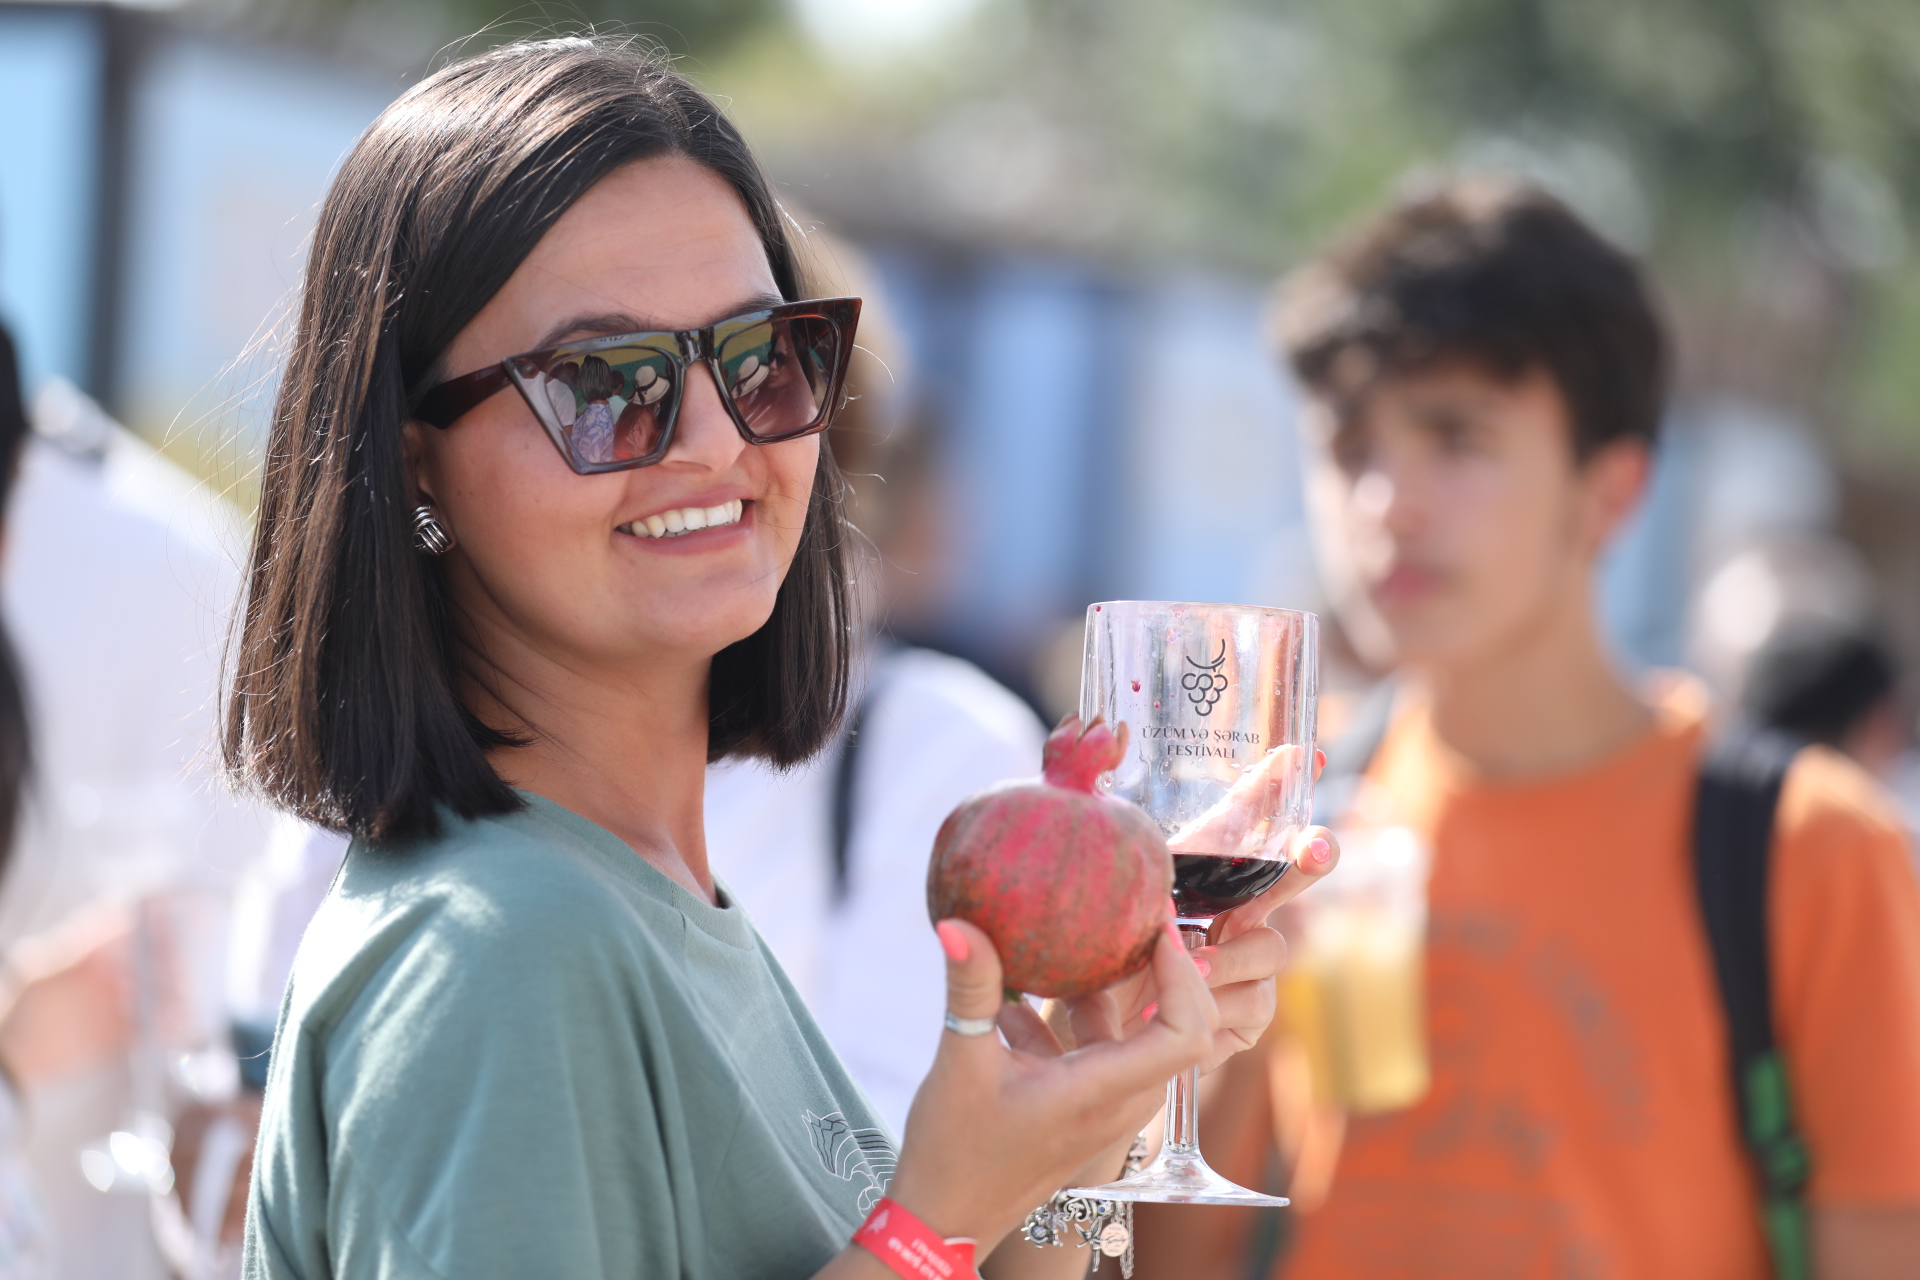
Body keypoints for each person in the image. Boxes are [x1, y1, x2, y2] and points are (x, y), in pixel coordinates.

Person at [228, 37, 1334, 1280]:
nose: (712, 438)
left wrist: (1086, 1119)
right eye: (605, 381)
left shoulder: (650, 898)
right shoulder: (501, 952)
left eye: (759, 357)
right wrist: (929, 1223)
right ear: (414, 453)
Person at [1148, 179, 1920, 1279]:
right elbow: (1179, 1254)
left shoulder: (1812, 848)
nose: (1387, 502)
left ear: (1610, 492)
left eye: (1456, 436)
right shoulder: (1296, 814)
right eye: (1348, 442)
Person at [706, 232, 1050, 1137]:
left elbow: (889, 1163)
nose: (696, 449)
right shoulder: (401, 741)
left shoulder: (940, 742)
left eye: (761, 390)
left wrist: (1087, 1162)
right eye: (609, 388)